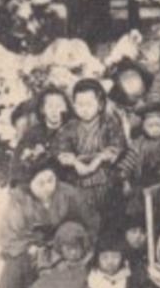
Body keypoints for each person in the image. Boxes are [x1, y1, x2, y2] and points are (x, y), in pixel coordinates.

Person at [0, 157, 95, 288]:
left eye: (51, 180)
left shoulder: (68, 194)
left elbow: (88, 222)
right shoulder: (19, 200)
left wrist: (78, 241)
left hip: (64, 244)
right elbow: (7, 235)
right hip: (30, 247)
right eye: (41, 183)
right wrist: (30, 246)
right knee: (16, 267)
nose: (48, 187)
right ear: (29, 183)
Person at [52, 78, 130, 227]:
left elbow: (117, 146)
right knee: (80, 218)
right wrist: (75, 163)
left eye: (89, 104)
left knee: (110, 218)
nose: (84, 109)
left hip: (106, 179)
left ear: (100, 104)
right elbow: (60, 150)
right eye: (80, 104)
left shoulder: (109, 123)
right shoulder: (69, 127)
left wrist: (99, 159)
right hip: (77, 181)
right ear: (73, 105)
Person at [119, 101, 160, 207]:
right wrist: (124, 177)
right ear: (143, 126)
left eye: (159, 125)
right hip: (142, 188)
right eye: (150, 125)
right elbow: (129, 160)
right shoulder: (138, 143)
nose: (155, 129)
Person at [14, 87, 72, 165]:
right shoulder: (33, 133)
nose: (54, 110)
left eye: (59, 106)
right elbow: (18, 159)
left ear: (66, 108)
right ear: (42, 109)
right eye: (50, 106)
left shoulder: (71, 131)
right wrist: (29, 155)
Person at [106, 58, 155, 134]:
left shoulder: (155, 98)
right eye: (125, 79)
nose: (130, 82)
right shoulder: (115, 109)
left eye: (133, 77)